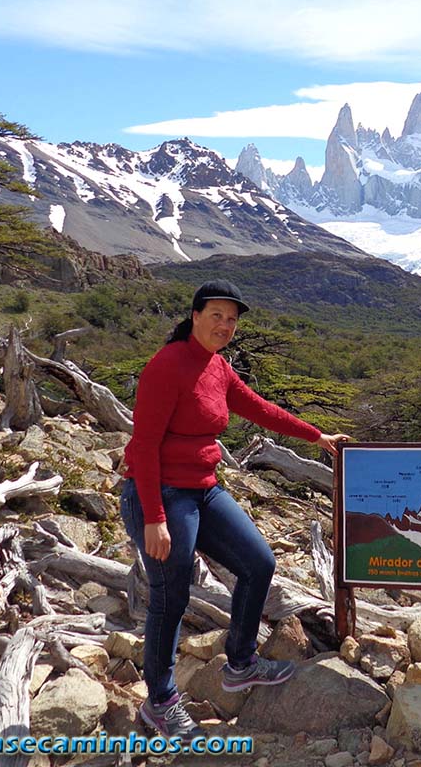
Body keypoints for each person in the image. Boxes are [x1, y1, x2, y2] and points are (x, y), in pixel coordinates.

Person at [121, 279, 350, 739]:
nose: (225, 325)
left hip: (203, 489)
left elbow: (259, 408)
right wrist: (154, 518)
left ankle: (241, 663)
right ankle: (160, 702)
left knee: (258, 563)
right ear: (195, 315)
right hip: (162, 494)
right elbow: (143, 447)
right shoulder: (167, 366)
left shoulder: (217, 367)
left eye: (232, 319)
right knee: (171, 595)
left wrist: (315, 435)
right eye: (216, 316)